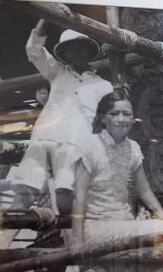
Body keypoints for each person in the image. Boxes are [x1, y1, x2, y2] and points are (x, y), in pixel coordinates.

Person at [71, 90, 163, 272]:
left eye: (126, 114)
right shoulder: (90, 146)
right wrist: (77, 239)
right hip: (96, 228)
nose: (121, 119)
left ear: (133, 117)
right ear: (103, 118)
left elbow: (145, 191)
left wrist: (161, 214)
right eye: (114, 113)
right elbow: (78, 195)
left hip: (124, 225)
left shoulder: (133, 148)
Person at [10, 19, 113, 216]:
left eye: (81, 48)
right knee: (25, 192)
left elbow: (106, 121)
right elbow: (34, 51)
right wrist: (44, 19)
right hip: (45, 139)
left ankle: (62, 232)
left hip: (76, 145)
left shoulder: (103, 85)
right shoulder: (57, 72)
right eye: (71, 49)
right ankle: (3, 232)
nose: (77, 53)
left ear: (89, 51)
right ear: (65, 54)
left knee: (66, 201)